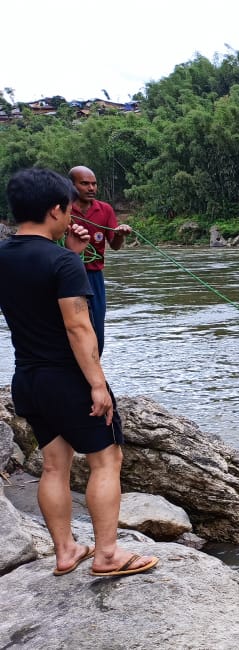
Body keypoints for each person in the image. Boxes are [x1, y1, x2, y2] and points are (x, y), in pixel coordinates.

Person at [1, 168, 158, 578]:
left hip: (27, 379)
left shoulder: (5, 255)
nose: (72, 215)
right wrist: (97, 384)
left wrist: (70, 252)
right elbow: (77, 327)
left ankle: (66, 551)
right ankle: (107, 555)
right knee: (107, 459)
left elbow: (32, 296)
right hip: (68, 379)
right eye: (68, 208)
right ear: (56, 209)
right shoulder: (62, 263)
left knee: (54, 463)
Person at [68, 165, 132, 355]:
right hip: (67, 274)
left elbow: (115, 245)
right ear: (71, 186)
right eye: (85, 183)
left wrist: (120, 234)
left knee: (97, 326)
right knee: (71, 325)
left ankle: (95, 369)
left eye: (94, 184)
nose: (91, 188)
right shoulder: (62, 210)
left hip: (94, 276)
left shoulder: (105, 209)